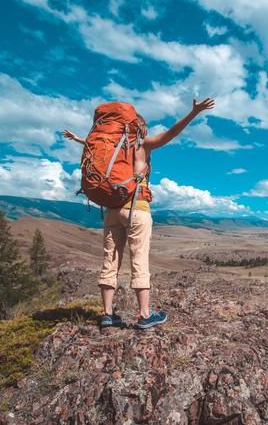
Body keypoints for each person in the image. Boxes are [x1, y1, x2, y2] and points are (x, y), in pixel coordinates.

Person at [63, 97, 215, 330]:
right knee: (139, 260)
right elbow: (170, 134)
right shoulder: (141, 147)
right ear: (137, 128)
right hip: (137, 209)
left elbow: (99, 152)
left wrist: (81, 140)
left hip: (112, 210)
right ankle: (144, 314)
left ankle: (107, 314)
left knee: (110, 260)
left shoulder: (110, 146)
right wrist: (193, 113)